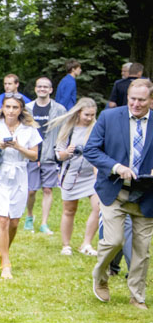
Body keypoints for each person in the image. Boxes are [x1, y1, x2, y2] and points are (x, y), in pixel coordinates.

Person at [84, 79, 153, 310]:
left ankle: (137, 296)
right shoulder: (109, 117)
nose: (135, 104)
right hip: (115, 190)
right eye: (132, 99)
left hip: (147, 195)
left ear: (151, 100)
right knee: (113, 241)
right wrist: (116, 167)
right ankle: (101, 277)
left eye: (141, 100)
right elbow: (92, 149)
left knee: (141, 250)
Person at [0, 94, 42, 279]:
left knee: (14, 221)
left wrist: (18, 147)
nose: (11, 111)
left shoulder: (29, 129)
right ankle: (6, 263)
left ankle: (3, 249)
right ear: (3, 108)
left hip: (19, 174)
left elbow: (34, 156)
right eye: (8, 107)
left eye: (15, 107)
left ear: (21, 110)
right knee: (2, 219)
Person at [48, 99, 100, 256]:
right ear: (79, 112)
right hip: (71, 174)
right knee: (69, 210)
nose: (89, 118)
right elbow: (59, 154)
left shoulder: (97, 128)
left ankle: (87, 243)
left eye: (92, 115)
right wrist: (66, 153)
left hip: (91, 174)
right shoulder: (69, 129)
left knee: (99, 208)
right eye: (86, 115)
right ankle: (66, 245)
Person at [24, 77, 67, 234]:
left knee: (48, 189)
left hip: (50, 155)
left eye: (45, 87)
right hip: (32, 154)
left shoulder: (59, 109)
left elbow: (64, 132)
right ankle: (29, 217)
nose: (42, 89)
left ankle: (44, 223)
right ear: (35, 89)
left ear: (51, 90)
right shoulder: (27, 109)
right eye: (39, 87)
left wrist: (60, 151)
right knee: (31, 190)